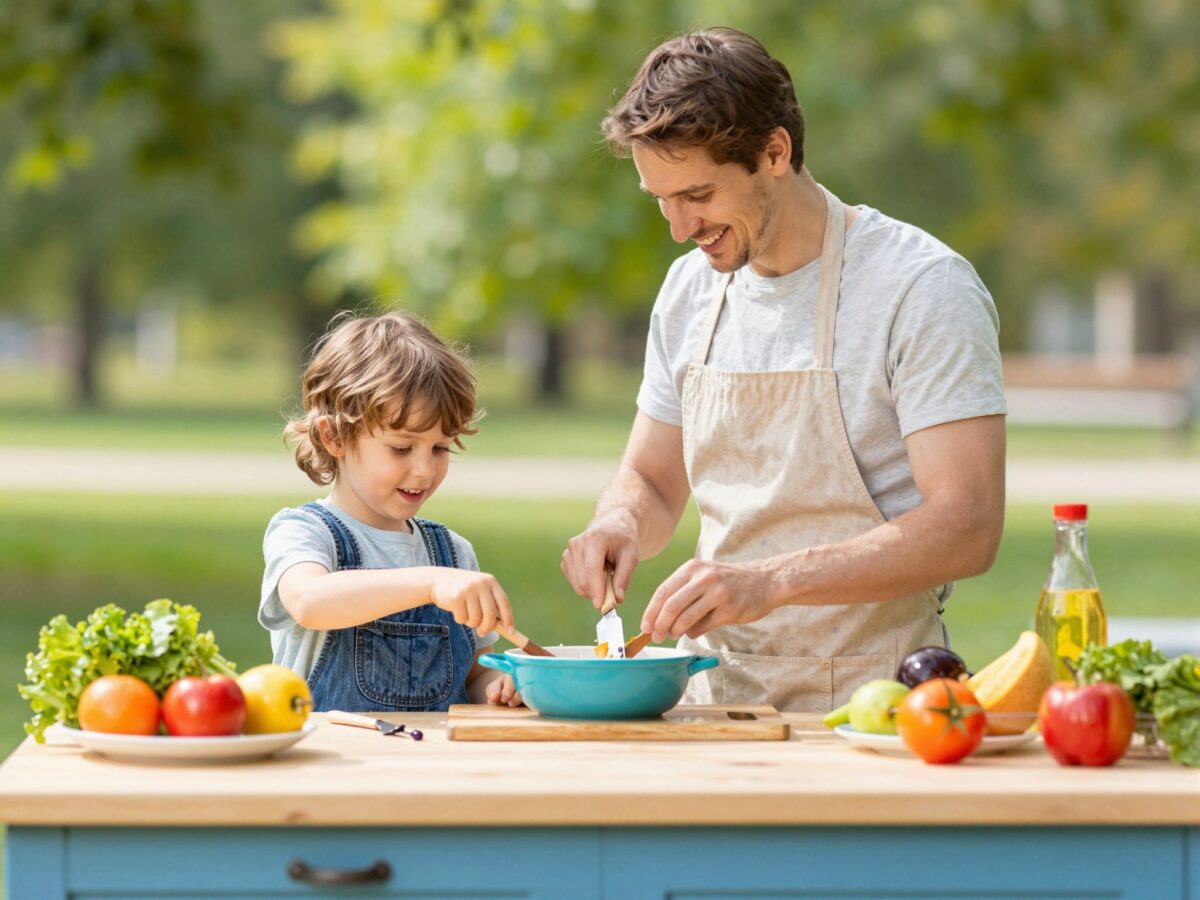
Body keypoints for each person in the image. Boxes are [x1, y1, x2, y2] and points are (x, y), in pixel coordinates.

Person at [561, 27, 1007, 711]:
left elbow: (968, 525)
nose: (680, 228)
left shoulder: (920, 287)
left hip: (877, 706)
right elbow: (651, 479)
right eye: (662, 200)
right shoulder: (689, 291)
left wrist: (771, 581)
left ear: (775, 151)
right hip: (715, 700)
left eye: (698, 196)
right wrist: (618, 523)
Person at [260, 311, 522, 711]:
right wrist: (431, 583)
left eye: (440, 448)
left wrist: (496, 683)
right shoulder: (304, 532)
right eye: (401, 448)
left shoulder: (453, 554)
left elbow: (472, 675)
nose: (425, 469)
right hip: (334, 767)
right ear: (335, 437)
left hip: (433, 768)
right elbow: (310, 602)